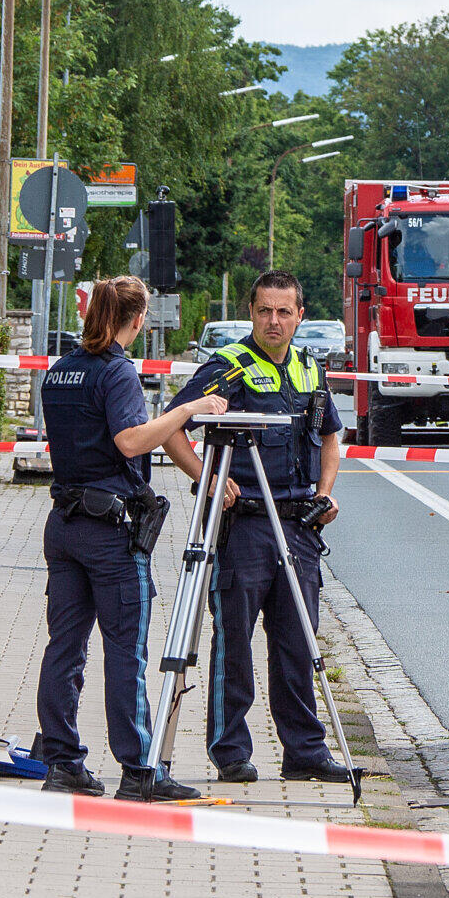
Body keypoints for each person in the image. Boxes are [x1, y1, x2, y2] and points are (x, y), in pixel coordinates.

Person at [36, 275, 229, 801]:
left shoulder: (60, 371)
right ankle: (140, 771)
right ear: (138, 319)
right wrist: (186, 410)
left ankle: (61, 761)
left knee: (65, 647)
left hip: (65, 525)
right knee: (126, 652)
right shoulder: (117, 372)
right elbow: (128, 441)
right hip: (110, 532)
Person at [165, 270, 352, 785]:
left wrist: (325, 492)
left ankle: (305, 752)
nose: (274, 320)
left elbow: (331, 437)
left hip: (298, 526)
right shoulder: (227, 368)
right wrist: (205, 479)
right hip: (243, 525)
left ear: (300, 316)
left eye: (284, 311)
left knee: (298, 642)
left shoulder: (310, 369)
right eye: (265, 310)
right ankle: (230, 751)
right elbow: (172, 427)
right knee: (234, 643)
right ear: (252, 312)